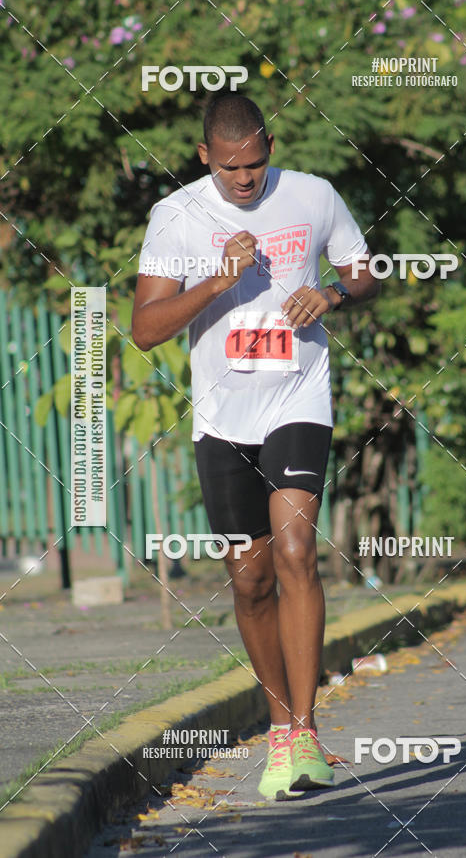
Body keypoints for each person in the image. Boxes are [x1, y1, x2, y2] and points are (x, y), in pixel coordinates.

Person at [132, 93, 379, 800]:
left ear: (272, 147)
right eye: (232, 168)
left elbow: (365, 270)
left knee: (297, 549)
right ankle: (278, 727)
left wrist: (331, 294)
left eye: (258, 164)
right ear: (204, 155)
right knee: (249, 576)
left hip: (298, 396)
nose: (247, 180)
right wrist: (219, 278)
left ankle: (304, 733)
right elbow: (146, 329)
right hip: (221, 414)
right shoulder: (177, 217)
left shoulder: (313, 195)